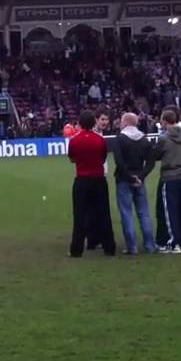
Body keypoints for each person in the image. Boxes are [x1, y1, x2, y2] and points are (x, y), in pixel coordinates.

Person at [68, 110, 116, 257]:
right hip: (99, 180)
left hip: (82, 180)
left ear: (80, 124)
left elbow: (72, 158)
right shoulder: (100, 140)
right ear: (94, 122)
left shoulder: (74, 140)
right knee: (104, 213)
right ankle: (109, 248)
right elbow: (103, 158)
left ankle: (77, 249)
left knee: (80, 215)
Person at [111, 112, 157, 255]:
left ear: (124, 123)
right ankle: (150, 245)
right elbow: (151, 162)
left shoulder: (120, 139)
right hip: (140, 180)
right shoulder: (144, 140)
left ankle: (132, 246)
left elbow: (119, 162)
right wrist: (141, 176)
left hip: (124, 179)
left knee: (127, 213)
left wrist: (130, 177)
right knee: (144, 213)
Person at [155, 109, 181, 254]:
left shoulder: (163, 138)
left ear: (165, 121)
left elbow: (156, 154)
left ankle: (174, 243)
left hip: (170, 176)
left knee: (170, 211)